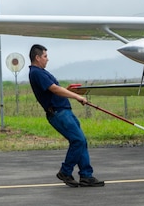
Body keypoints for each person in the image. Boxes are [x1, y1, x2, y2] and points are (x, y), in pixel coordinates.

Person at [28, 44, 104, 187]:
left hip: (64, 110)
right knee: (78, 141)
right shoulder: (36, 73)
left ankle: (86, 176)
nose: (47, 59)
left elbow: (54, 90)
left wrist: (68, 90)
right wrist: (76, 96)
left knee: (81, 141)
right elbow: (55, 89)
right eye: (45, 56)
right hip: (58, 112)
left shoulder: (41, 72)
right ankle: (65, 171)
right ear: (37, 58)